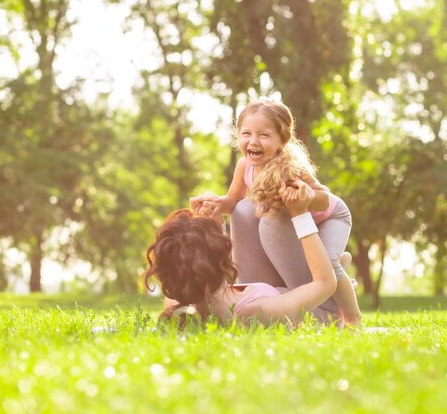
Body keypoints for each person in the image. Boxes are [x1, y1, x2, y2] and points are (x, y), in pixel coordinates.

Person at [189, 99, 361, 325]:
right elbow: (235, 200)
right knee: (245, 209)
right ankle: (335, 264)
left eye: (263, 135)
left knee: (329, 261)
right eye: (246, 133)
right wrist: (218, 204)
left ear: (282, 140)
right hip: (295, 226)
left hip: (329, 217)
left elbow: (324, 199)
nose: (253, 141)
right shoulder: (244, 167)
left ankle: (352, 317)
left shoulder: (290, 167)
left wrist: (305, 198)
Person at [143, 181, 339, 326]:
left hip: (277, 289)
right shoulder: (252, 312)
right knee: (273, 219)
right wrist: (300, 213)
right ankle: (339, 264)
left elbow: (201, 259)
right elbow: (325, 284)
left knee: (244, 208)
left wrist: (214, 219)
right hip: (324, 306)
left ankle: (340, 262)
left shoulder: (179, 300)